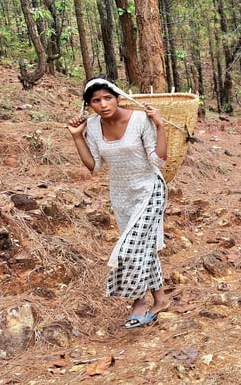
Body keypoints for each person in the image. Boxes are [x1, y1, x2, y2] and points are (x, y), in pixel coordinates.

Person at [67, 77, 171, 329]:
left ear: (117, 97)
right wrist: (77, 137)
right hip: (121, 195)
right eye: (95, 101)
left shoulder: (138, 120)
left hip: (150, 190)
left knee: (130, 247)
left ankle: (138, 303)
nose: (103, 104)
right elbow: (94, 166)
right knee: (144, 247)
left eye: (107, 98)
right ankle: (160, 300)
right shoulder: (92, 127)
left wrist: (159, 125)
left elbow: (159, 159)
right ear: (89, 105)